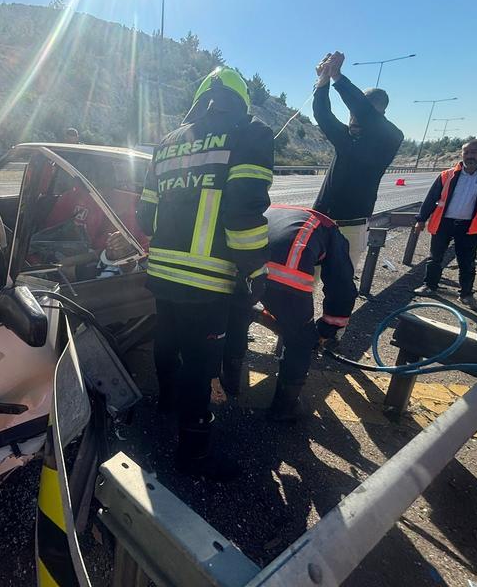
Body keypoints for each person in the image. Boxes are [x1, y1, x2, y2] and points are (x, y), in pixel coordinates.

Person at [136, 67, 273, 481]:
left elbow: (145, 216)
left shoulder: (167, 142)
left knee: (167, 339)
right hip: (209, 280)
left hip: (163, 270)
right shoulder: (250, 133)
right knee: (200, 362)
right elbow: (244, 210)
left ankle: (165, 404)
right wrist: (255, 270)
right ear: (241, 100)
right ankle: (193, 455)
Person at [223, 205, 357, 421]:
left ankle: (228, 382)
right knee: (300, 339)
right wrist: (325, 330)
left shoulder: (274, 209)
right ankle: (285, 407)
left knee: (238, 315)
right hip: (285, 277)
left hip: (245, 268)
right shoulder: (330, 231)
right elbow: (341, 288)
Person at [312, 51, 404, 268]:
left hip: (352, 225)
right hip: (320, 219)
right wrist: (322, 82)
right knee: (307, 277)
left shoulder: (390, 137)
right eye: (351, 114)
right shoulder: (346, 137)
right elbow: (322, 114)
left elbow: (363, 111)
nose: (353, 118)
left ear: (380, 115)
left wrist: (338, 78)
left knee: (341, 285)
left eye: (358, 113)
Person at [413, 139, 477, 308]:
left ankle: (466, 294)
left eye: (474, 152)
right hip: (444, 222)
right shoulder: (448, 174)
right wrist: (421, 219)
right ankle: (429, 285)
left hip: (471, 225)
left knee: (466, 261)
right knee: (435, 257)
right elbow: (431, 198)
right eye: (466, 152)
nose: (469, 156)